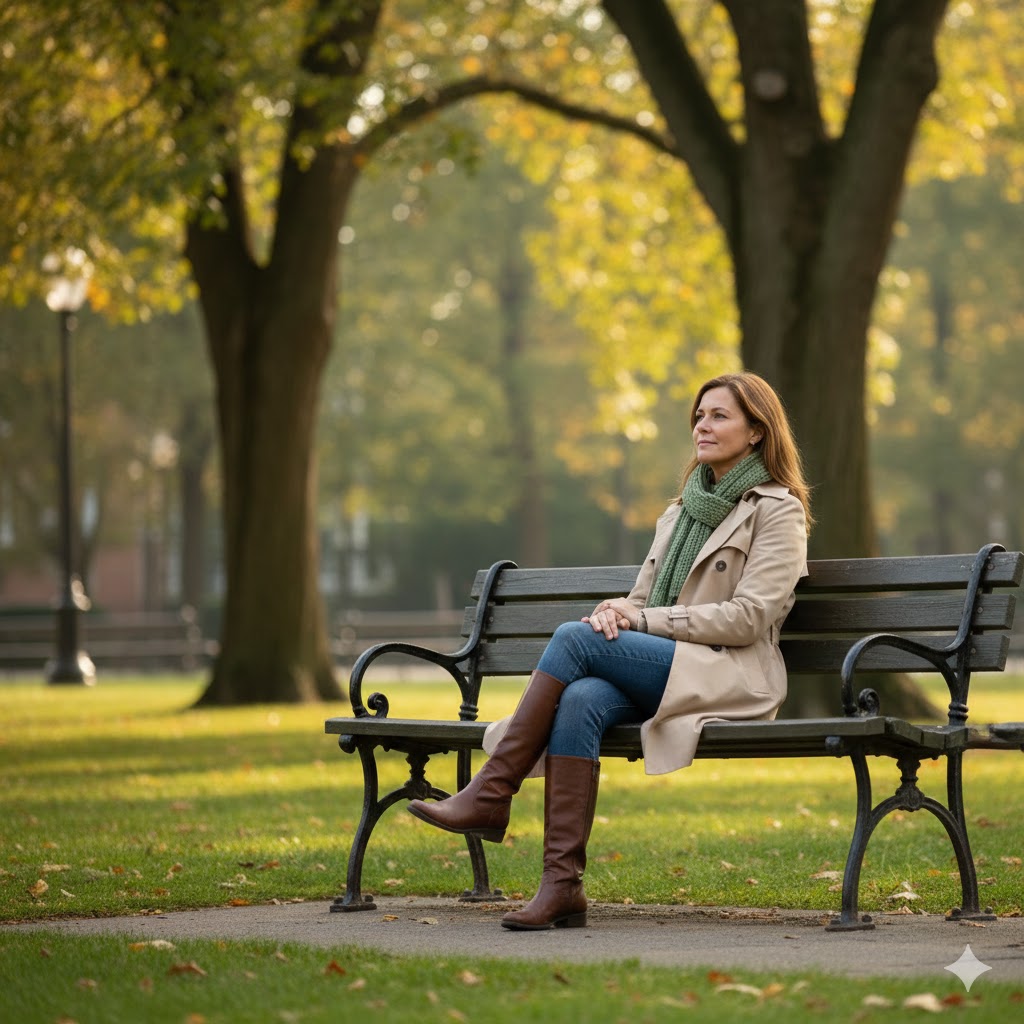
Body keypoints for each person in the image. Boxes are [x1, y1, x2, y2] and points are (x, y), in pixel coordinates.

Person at [408, 372, 812, 931]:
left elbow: (750, 618)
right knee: (580, 697)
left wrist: (640, 618)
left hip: (730, 673)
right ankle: (562, 885)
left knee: (574, 640)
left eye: (720, 415)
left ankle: (491, 791)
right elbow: (645, 599)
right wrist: (618, 609)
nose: (703, 424)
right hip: (670, 663)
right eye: (699, 414)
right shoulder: (680, 512)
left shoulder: (778, 511)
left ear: (756, 431)